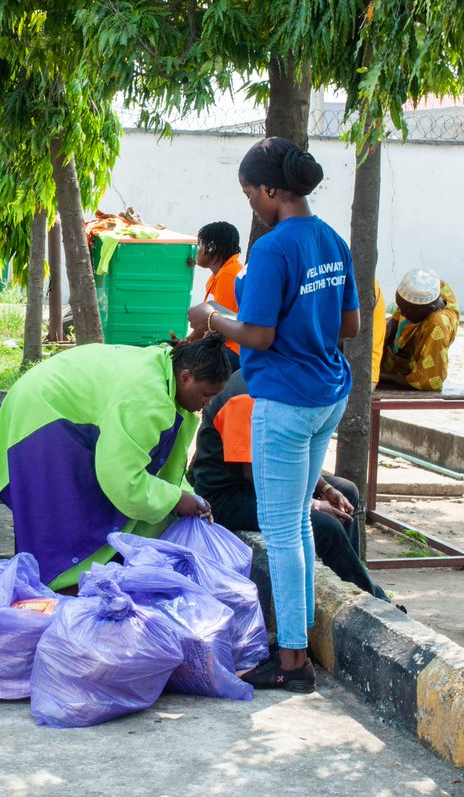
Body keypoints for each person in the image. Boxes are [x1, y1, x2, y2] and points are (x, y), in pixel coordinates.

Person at [187, 136, 359, 693]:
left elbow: (256, 333)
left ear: (268, 190)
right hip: (330, 393)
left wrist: (212, 317)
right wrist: (306, 327)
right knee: (300, 527)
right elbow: (349, 326)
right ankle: (299, 638)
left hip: (285, 399)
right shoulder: (331, 239)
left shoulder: (272, 248)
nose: (250, 205)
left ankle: (290, 661)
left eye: (249, 194)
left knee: (283, 530)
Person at [0, 335, 232, 591]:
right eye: (206, 394)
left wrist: (184, 493)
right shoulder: (146, 399)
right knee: (64, 527)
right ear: (186, 377)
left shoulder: (165, 370)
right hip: (41, 417)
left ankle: (50, 587)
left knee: (77, 522)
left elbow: (161, 464)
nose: (207, 404)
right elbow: (121, 480)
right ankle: (54, 594)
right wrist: (176, 500)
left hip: (52, 405)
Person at [190, 370, 390, 602]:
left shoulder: (279, 382)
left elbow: (290, 454)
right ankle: (372, 599)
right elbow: (258, 474)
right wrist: (312, 503)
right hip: (231, 495)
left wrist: (324, 489)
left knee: (347, 491)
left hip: (266, 479)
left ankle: (351, 580)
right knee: (325, 526)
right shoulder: (245, 396)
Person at [379, 268, 459, 391]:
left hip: (408, 369)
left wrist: (383, 378)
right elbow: (402, 312)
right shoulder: (430, 288)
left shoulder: (438, 326)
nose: (403, 314)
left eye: (407, 311)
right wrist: (390, 328)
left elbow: (429, 381)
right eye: (400, 307)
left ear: (429, 309)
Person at [196, 221, 245, 372]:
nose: (197, 251)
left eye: (200, 245)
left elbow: (221, 327)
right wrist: (190, 340)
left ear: (211, 248)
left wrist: (192, 348)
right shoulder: (223, 273)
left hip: (235, 350)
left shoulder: (228, 276)